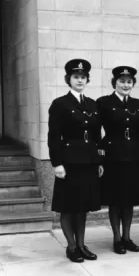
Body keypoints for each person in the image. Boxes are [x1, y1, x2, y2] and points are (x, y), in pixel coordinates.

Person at [48, 59, 104, 262]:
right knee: (68, 206)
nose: (80, 80)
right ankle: (71, 247)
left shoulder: (91, 104)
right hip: (69, 162)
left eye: (83, 77)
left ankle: (81, 244)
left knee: (83, 206)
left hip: (88, 161)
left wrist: (98, 161)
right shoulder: (60, 104)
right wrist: (57, 164)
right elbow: (53, 136)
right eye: (76, 77)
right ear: (68, 79)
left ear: (87, 80)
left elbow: (97, 136)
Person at [96, 66, 139, 254]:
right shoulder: (103, 102)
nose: (125, 85)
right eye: (122, 81)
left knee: (129, 200)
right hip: (112, 158)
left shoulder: (136, 104)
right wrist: (100, 159)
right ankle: (117, 238)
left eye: (129, 82)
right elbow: (96, 133)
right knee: (115, 200)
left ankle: (127, 237)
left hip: (132, 158)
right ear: (115, 83)